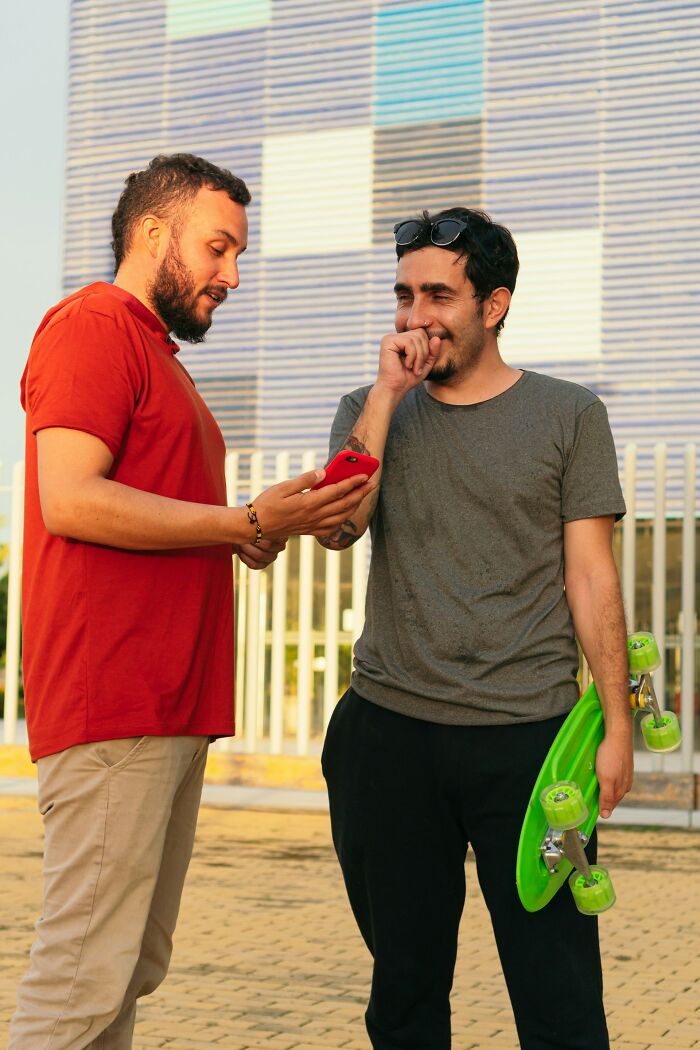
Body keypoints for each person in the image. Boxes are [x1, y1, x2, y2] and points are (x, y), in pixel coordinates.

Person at [11, 153, 372, 1050]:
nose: (231, 275)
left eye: (237, 254)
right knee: (82, 975)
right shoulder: (93, 324)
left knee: (126, 965)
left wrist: (258, 526)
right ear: (150, 233)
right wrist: (240, 516)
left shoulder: (158, 360)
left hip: (164, 706)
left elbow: (179, 518)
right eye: (217, 248)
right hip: (115, 701)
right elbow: (71, 498)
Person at [319, 207, 631, 1049]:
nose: (415, 317)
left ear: (492, 306)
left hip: (531, 748)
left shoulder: (569, 415)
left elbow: (591, 574)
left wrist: (616, 726)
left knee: (560, 991)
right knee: (406, 991)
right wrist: (387, 393)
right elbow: (337, 528)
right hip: (389, 737)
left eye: (439, 296)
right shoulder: (369, 408)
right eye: (404, 295)